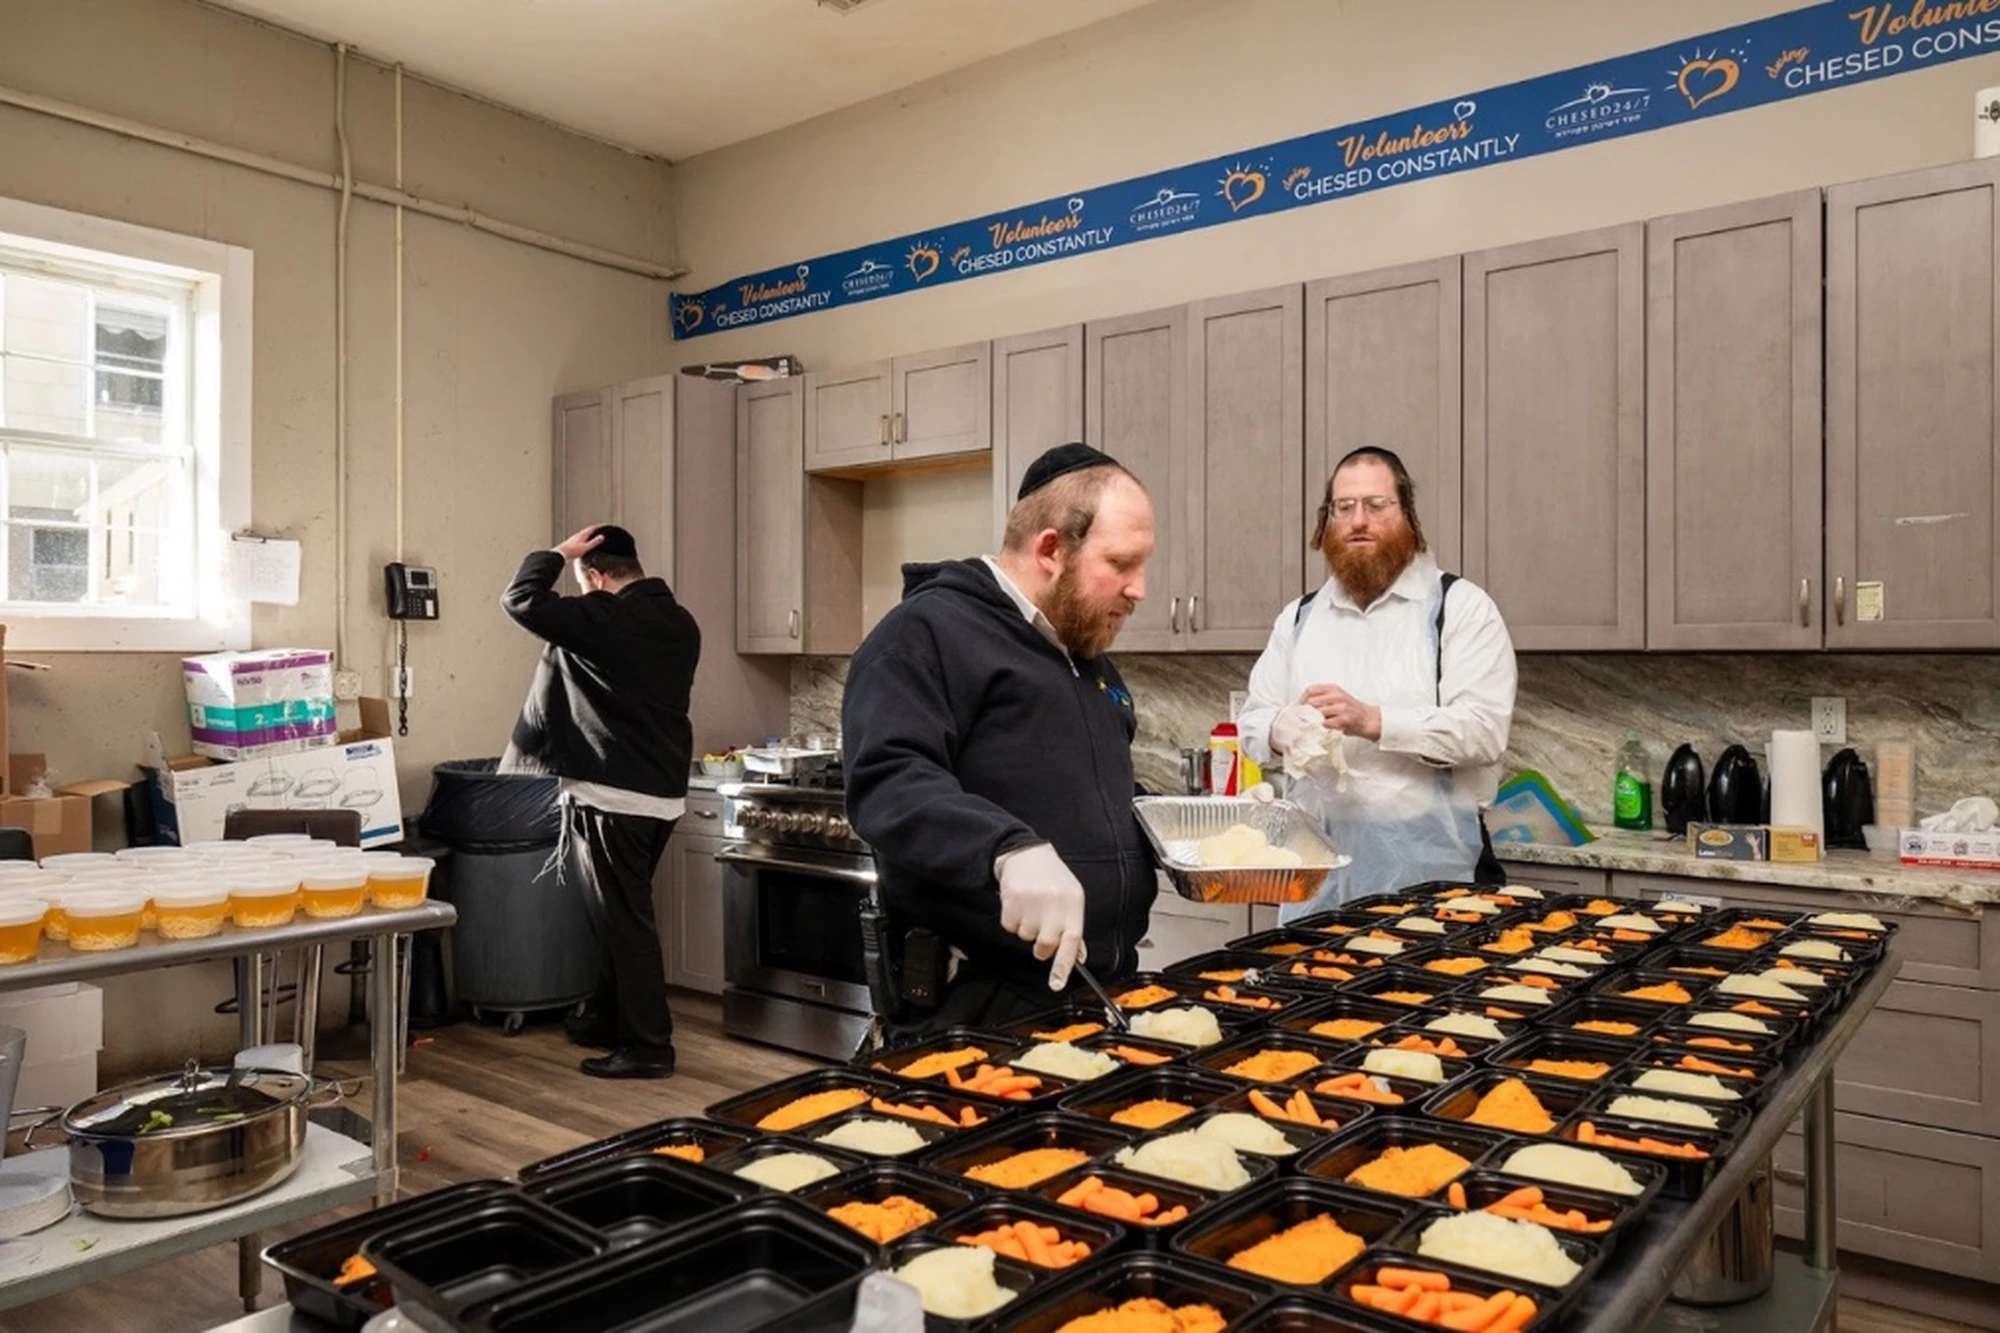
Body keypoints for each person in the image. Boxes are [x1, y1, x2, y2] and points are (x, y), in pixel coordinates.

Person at [842, 443, 1158, 1036]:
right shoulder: (926, 633)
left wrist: (1184, 825)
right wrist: (1006, 849)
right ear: (1050, 549)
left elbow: (1086, 789)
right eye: (1121, 563)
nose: (1139, 588)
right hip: (975, 1008)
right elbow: (888, 780)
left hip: (1095, 992)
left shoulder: (1083, 657)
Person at [1238, 447, 1517, 920]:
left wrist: (1373, 720)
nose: (1358, 521)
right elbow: (1251, 722)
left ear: (1407, 514)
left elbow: (1484, 731)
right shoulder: (1299, 619)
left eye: (1376, 505)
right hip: (1313, 878)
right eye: (1343, 508)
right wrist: (1277, 729)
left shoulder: (1459, 608)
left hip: (1433, 879)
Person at [500, 523, 700, 1078]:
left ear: (595, 574)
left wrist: (556, 555)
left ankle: (648, 1048)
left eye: (583, 577)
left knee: (623, 923)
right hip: (661, 795)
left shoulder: (605, 618)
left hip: (611, 795)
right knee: (618, 916)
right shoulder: (679, 622)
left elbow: (520, 599)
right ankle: (609, 1019)